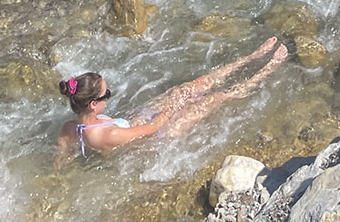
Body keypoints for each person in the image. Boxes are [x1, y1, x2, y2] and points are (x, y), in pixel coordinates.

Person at [56, 38, 288, 168]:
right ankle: (266, 69)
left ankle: (250, 57)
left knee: (195, 85)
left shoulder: (70, 128)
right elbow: (154, 128)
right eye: (106, 95)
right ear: (92, 104)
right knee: (217, 98)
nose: (109, 96)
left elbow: (62, 152)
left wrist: (60, 166)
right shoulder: (108, 136)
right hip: (159, 136)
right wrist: (173, 107)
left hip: (137, 123)